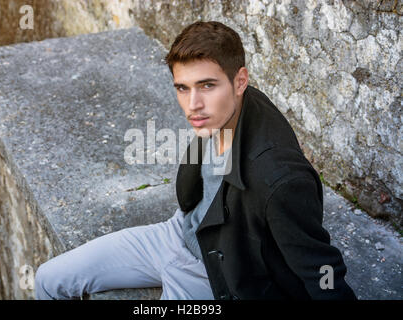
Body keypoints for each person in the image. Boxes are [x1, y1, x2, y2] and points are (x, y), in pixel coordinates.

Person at [34, 21, 357, 300]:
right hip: (176, 234)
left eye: (207, 86)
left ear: (240, 81)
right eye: (182, 88)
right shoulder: (221, 111)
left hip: (215, 274)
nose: (193, 105)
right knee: (49, 279)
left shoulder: (279, 180)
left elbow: (322, 271)